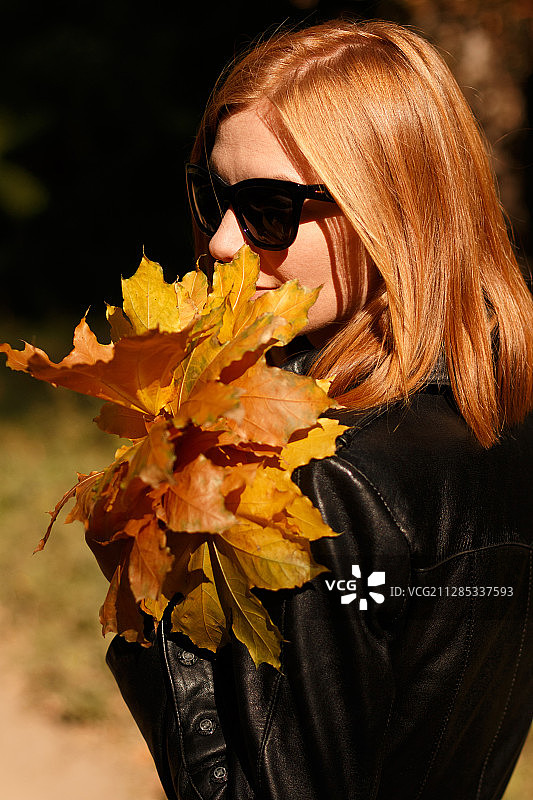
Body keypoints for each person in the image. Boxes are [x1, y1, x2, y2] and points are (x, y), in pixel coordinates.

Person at [106, 18, 533, 800]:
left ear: (390, 210)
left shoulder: (318, 478)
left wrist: (153, 603)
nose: (227, 243)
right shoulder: (503, 419)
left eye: (271, 208)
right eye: (212, 195)